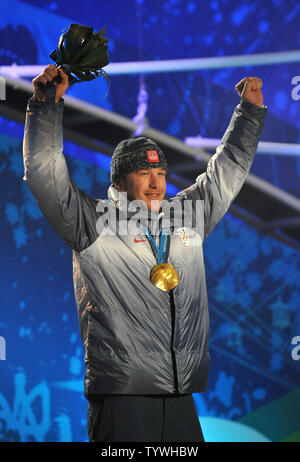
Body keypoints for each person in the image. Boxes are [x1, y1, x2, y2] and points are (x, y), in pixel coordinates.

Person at [23, 64, 266, 442]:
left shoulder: (185, 218)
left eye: (161, 175)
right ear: (119, 181)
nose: (156, 184)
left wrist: (249, 114)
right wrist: (45, 108)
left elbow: (225, 175)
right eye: (143, 174)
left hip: (179, 393)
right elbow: (44, 175)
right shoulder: (92, 222)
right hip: (123, 396)